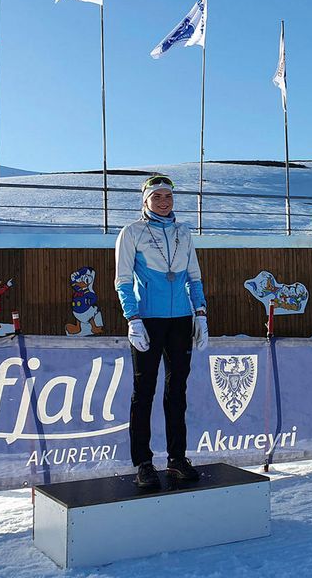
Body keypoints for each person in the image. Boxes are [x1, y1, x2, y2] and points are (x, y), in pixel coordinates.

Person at [115, 175, 209, 489]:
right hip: (148, 320)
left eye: (168, 196)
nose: (163, 201)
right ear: (145, 201)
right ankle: (143, 462)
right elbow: (123, 281)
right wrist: (133, 318)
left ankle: (177, 458)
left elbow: (194, 276)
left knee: (177, 391)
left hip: (181, 319)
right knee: (144, 392)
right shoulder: (132, 232)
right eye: (157, 197)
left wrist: (201, 313)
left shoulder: (184, 232)